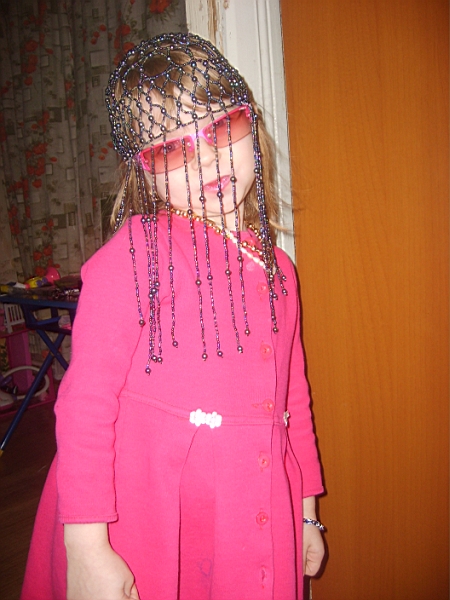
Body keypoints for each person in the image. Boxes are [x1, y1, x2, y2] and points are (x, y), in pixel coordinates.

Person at [21, 33, 325, 600]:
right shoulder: (136, 256)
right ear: (144, 172)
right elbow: (85, 406)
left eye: (221, 127)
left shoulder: (280, 269)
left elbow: (293, 400)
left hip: (253, 509)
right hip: (149, 520)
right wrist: (86, 548)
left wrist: (306, 510)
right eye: (171, 149)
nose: (205, 157)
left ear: (252, 125)